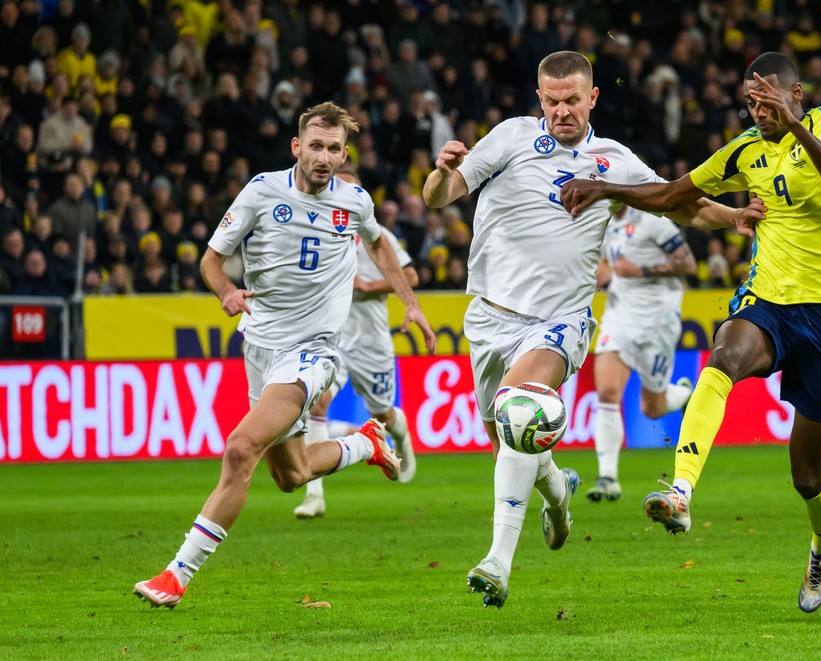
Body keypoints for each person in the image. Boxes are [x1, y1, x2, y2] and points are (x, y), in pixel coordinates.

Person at [422, 51, 764, 609]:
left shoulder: (613, 160)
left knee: (518, 408)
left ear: (592, 98)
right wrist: (439, 172)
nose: (562, 111)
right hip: (488, 318)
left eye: (572, 101)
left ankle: (497, 563)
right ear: (540, 99)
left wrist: (730, 218)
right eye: (552, 101)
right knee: (510, 439)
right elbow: (441, 196)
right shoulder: (508, 139)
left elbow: (676, 203)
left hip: (560, 321)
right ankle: (557, 492)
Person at [560, 51, 821, 613]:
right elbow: (674, 195)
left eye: (770, 98)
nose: (760, 109)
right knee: (723, 356)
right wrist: (608, 191)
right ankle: (680, 491)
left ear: (796, 95)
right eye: (752, 101)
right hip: (769, 301)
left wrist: (794, 122)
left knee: (806, 475)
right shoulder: (743, 150)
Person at [133, 102, 436, 608]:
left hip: (313, 350)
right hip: (259, 346)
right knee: (290, 476)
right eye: (315, 146)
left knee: (239, 449)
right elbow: (210, 261)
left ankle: (176, 575)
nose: (324, 157)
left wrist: (412, 304)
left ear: (343, 154)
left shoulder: (354, 202)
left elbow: (380, 245)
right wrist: (227, 293)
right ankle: (365, 445)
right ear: (297, 147)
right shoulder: (261, 192)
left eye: (334, 149)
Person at [294, 168, 420, 520]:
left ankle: (402, 432)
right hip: (328, 337)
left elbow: (410, 275)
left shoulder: (375, 235)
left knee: (382, 412)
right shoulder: (316, 231)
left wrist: (368, 287)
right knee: (315, 406)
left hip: (370, 340)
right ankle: (314, 493)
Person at [586, 205, 697, 503]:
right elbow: (609, 265)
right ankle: (607, 477)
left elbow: (688, 265)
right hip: (619, 317)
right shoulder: (607, 224)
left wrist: (641, 271)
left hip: (658, 323)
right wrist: (603, 275)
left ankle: (683, 396)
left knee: (652, 408)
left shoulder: (654, 223)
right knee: (607, 391)